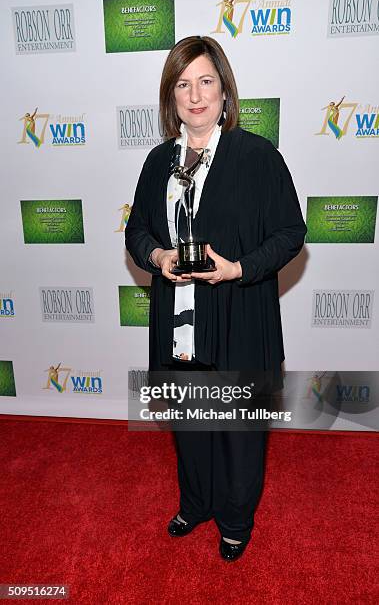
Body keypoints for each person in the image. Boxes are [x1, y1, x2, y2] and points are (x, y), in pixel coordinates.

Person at [125, 36, 307, 561]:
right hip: (178, 322)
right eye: (183, 84)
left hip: (240, 317)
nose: (195, 95)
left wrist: (239, 268)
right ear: (171, 97)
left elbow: (290, 232)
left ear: (225, 90)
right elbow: (136, 230)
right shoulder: (158, 161)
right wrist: (157, 257)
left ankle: (234, 519)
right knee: (190, 423)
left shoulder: (258, 157)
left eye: (206, 81)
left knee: (238, 431)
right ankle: (197, 503)